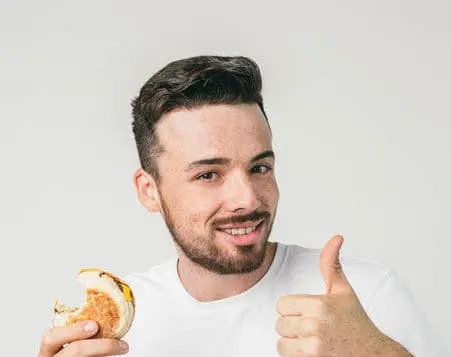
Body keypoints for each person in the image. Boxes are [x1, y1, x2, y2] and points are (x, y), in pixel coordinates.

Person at [38, 56, 447, 357]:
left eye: (260, 167)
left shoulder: (368, 299)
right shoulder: (115, 331)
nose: (248, 199)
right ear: (149, 190)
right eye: (208, 174)